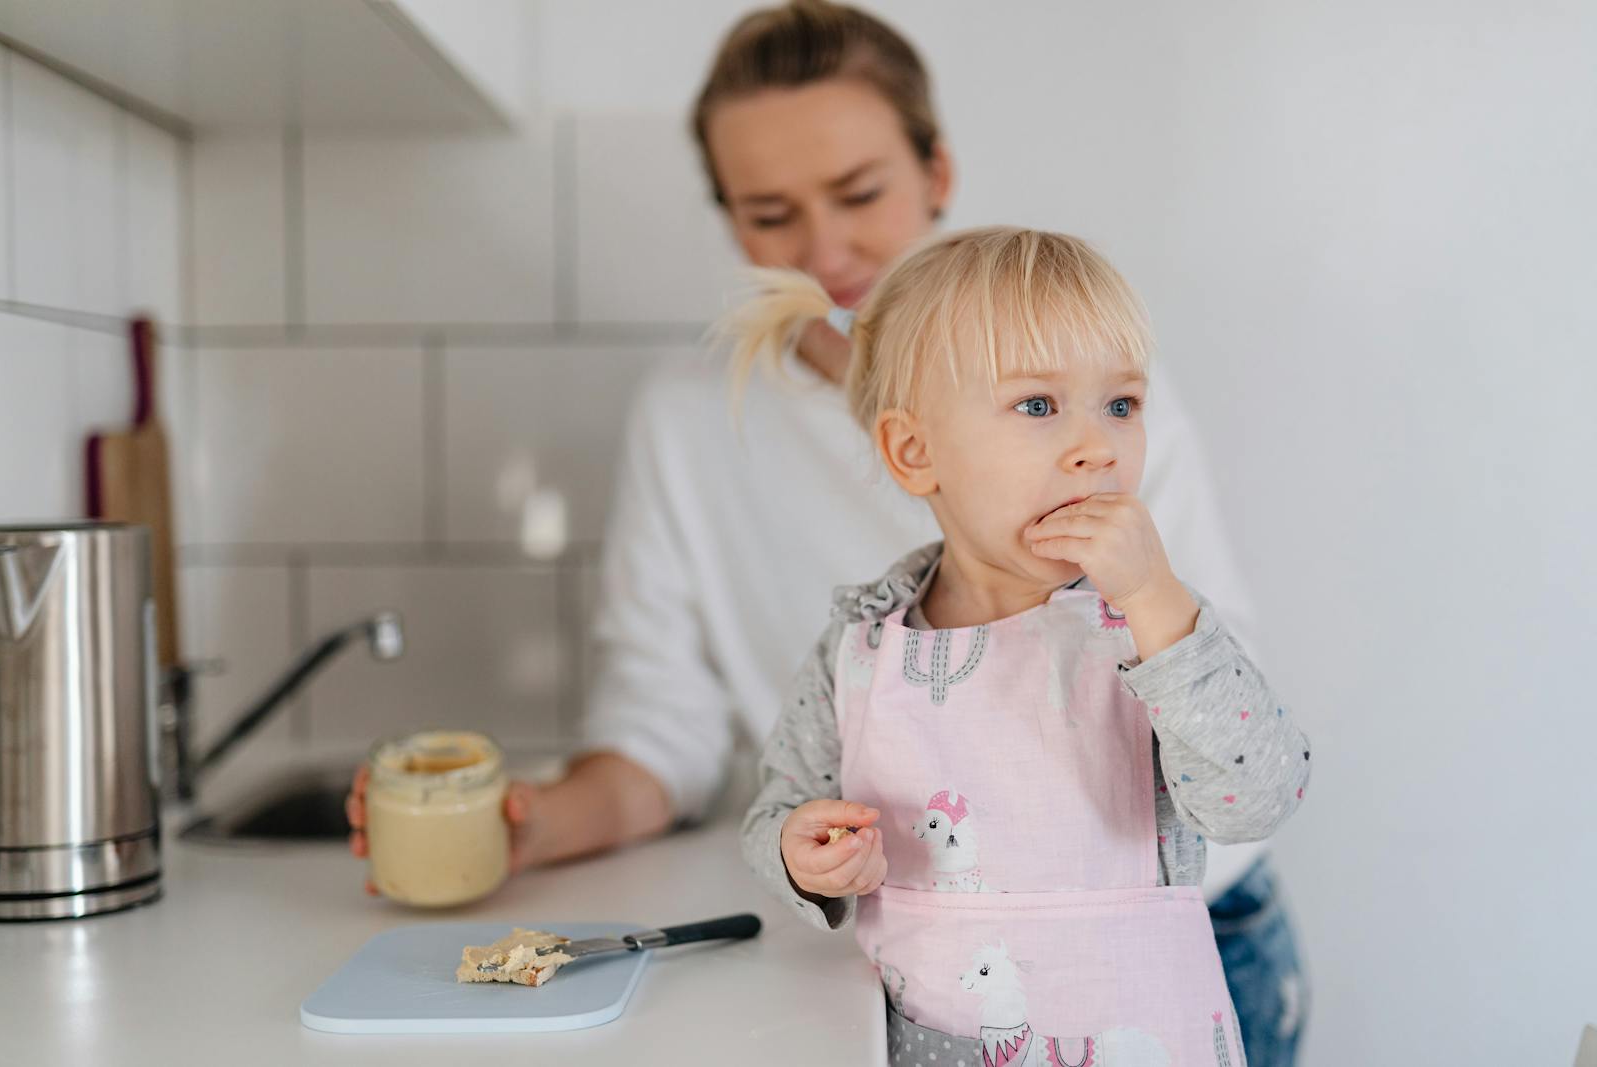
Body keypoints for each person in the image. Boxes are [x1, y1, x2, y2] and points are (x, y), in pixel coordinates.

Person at [347, 3, 1309, 1060]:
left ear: (936, 170)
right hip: (925, 993)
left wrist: (1153, 619)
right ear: (907, 455)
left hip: (1172, 959)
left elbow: (1240, 757)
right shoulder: (708, 442)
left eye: (860, 193)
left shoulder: (1098, 407)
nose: (827, 248)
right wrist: (537, 822)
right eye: (769, 213)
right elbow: (675, 733)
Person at [728, 225, 1312, 1063]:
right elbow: (775, 810)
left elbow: (1259, 798)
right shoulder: (861, 649)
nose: (1096, 445)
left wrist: (1155, 599)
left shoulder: (1150, 630)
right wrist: (801, 854)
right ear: (914, 450)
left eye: (1122, 404)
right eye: (1038, 405)